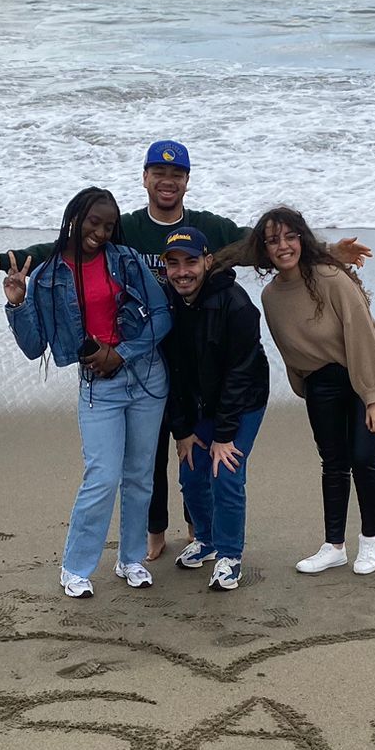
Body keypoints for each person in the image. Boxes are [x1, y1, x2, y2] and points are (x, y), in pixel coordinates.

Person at [0, 141, 370, 561]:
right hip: (144, 352)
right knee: (150, 451)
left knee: (193, 443)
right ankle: (155, 529)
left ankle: (199, 530)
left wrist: (327, 252)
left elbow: (265, 245)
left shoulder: (209, 226)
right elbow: (66, 248)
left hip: (198, 352)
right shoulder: (128, 229)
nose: (167, 181)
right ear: (145, 179)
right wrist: (4, 260)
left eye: (176, 175)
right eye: (158, 173)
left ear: (187, 182)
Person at [3, 187, 172, 598]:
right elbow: (32, 347)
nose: (100, 231)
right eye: (93, 221)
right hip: (100, 387)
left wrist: (123, 353)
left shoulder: (126, 261)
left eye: (109, 225)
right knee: (102, 476)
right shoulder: (48, 275)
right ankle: (75, 568)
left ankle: (130, 559)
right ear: (75, 218)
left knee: (139, 476)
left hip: (147, 377)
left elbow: (162, 316)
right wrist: (18, 302)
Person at [237, 205, 375, 577]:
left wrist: (372, 397)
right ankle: (334, 546)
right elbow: (291, 351)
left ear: (302, 240)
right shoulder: (271, 297)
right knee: (333, 463)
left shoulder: (330, 277)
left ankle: (371, 538)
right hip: (322, 382)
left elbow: (360, 337)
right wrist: (309, 389)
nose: (284, 246)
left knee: (362, 457)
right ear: (264, 249)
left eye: (290, 236)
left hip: (366, 369)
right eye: (273, 240)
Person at [158, 224, 269, 592]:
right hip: (198, 401)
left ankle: (229, 555)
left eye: (190, 261)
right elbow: (171, 371)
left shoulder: (237, 304)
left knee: (226, 471)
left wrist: (223, 436)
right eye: (173, 264)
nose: (182, 271)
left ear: (207, 261)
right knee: (191, 471)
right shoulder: (167, 301)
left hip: (243, 399)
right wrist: (183, 430)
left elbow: (240, 375)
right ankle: (205, 539)